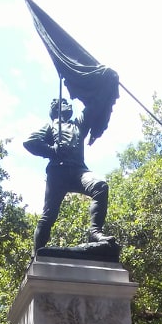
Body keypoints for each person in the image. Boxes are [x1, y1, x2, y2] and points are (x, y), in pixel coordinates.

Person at [23, 97, 115, 255]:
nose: (69, 105)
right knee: (49, 214)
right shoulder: (50, 126)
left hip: (79, 170)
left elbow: (93, 105)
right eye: (65, 103)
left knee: (100, 186)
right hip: (58, 172)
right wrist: (52, 150)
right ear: (56, 109)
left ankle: (94, 232)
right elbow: (30, 142)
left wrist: (101, 85)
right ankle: (36, 253)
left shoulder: (78, 124)